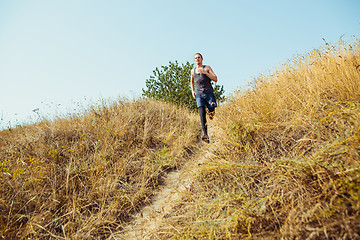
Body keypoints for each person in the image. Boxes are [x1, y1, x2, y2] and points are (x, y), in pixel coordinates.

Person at [190, 53, 218, 143]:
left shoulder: (207, 68)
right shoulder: (192, 71)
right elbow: (192, 82)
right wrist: (193, 91)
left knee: (212, 110)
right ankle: (205, 135)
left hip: (209, 93)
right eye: (195, 58)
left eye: (198, 57)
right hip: (199, 94)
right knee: (202, 115)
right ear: (194, 60)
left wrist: (206, 73)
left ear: (202, 59)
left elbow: (215, 79)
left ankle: (210, 111)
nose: (197, 59)